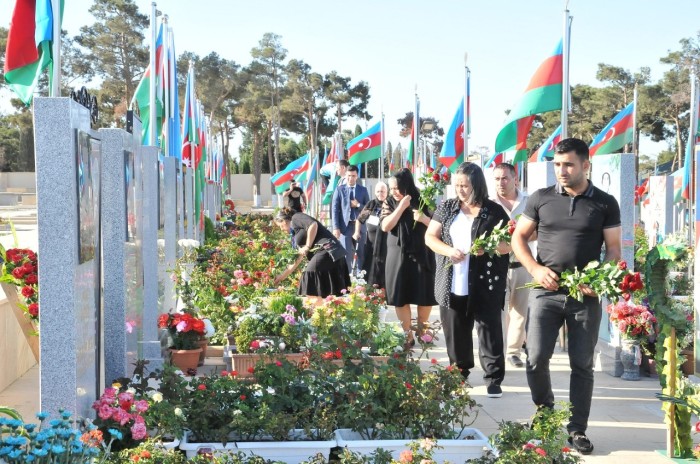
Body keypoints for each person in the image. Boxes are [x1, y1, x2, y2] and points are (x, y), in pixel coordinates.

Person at [511, 138, 621, 455]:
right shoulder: (541, 198)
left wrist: (599, 279)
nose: (562, 170)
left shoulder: (604, 202)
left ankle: (577, 430)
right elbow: (519, 237)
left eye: (569, 164)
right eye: (557, 164)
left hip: (584, 295)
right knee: (535, 359)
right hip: (545, 292)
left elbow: (613, 249)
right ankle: (545, 413)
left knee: (582, 365)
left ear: (586, 165)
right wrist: (533, 269)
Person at [425, 162, 510, 398]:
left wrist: (489, 247)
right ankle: (458, 374)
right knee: (455, 329)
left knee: (489, 329)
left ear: (477, 185)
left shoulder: (493, 211)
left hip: (485, 281)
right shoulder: (447, 208)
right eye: (457, 185)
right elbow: (430, 237)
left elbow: (510, 244)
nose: (461, 190)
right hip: (452, 279)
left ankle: (493, 378)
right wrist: (448, 250)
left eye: (465, 185)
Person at [380, 168, 436, 347]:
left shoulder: (423, 199)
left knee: (424, 292)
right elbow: (385, 226)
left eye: (396, 188)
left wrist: (423, 219)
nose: (393, 192)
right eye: (391, 188)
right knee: (400, 294)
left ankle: (422, 330)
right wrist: (401, 207)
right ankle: (407, 335)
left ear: (406, 185)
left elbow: (437, 226)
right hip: (398, 252)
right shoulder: (389, 202)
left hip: (422, 251)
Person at [491, 162, 534, 368]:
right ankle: (497, 351)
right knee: (497, 311)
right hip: (496, 265)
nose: (501, 182)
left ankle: (513, 352)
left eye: (505, 178)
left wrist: (518, 239)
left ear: (515, 178)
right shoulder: (488, 203)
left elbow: (539, 230)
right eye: (497, 178)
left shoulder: (529, 202)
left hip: (521, 264)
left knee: (519, 310)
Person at [273, 207, 350, 299]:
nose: (281, 230)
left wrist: (307, 246)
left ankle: (314, 310)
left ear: (284, 221)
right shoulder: (295, 235)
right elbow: (298, 258)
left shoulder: (296, 217)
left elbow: (313, 224)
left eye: (280, 226)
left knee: (310, 278)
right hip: (326, 254)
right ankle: (321, 311)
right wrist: (281, 277)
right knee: (323, 291)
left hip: (328, 250)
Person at [332, 165, 370, 274]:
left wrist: (358, 205)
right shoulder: (339, 190)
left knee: (361, 254)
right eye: (349, 176)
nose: (351, 178)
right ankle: (347, 281)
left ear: (357, 176)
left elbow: (368, 209)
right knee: (346, 255)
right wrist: (336, 227)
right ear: (346, 176)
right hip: (345, 228)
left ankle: (361, 281)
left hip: (360, 227)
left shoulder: (363, 190)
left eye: (353, 176)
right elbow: (335, 209)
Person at [354, 181, 388, 288]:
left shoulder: (390, 204)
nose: (380, 194)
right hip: (371, 242)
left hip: (386, 242)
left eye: (382, 191)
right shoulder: (371, 204)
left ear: (387, 192)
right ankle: (371, 289)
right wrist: (357, 232)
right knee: (370, 266)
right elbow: (360, 219)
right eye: (378, 191)